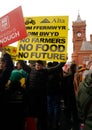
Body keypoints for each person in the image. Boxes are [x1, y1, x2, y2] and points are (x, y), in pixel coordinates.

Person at [25, 60, 65, 130]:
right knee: (32, 113)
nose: (37, 66)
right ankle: (34, 126)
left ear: (42, 66)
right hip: (32, 96)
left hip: (42, 96)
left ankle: (42, 125)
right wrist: (19, 57)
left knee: (42, 113)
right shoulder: (31, 70)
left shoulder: (46, 71)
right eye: (37, 65)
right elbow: (23, 65)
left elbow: (57, 68)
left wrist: (63, 61)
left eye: (39, 65)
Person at [5, 60, 30, 130]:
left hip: (20, 90)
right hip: (13, 90)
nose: (18, 65)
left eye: (19, 64)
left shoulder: (24, 72)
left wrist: (23, 86)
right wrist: (7, 85)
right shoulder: (13, 71)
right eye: (18, 64)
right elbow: (10, 79)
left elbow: (25, 81)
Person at [62, 63, 80, 130]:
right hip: (73, 95)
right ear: (74, 68)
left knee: (68, 109)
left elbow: (63, 87)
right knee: (74, 109)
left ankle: (68, 121)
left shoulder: (66, 76)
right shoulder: (76, 76)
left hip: (67, 96)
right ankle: (75, 121)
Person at [0, 48, 14, 129]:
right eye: (0, 63)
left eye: (3, 63)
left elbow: (10, 65)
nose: (1, 64)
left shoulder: (4, 73)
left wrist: (5, 53)